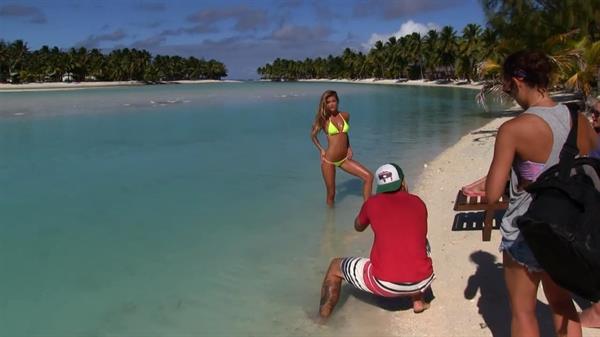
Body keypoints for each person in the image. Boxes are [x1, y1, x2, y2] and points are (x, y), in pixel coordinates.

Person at [462, 50, 597, 337]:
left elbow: (493, 194)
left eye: (507, 87)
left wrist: (505, 172)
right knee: (562, 304)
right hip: (569, 228)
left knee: (523, 312)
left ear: (517, 80)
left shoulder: (514, 129)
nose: (509, 93)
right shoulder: (580, 120)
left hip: (529, 229)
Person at [318, 163, 434, 318]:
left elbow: (358, 226)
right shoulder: (418, 202)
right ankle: (418, 301)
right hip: (423, 280)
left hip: (386, 284)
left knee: (334, 267)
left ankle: (321, 321)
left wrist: (369, 213)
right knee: (416, 240)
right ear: (403, 182)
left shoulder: (372, 203)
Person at [311, 90, 373, 206]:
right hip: (328, 160)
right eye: (328, 102)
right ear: (325, 104)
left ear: (337, 101)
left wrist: (349, 147)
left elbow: (345, 135)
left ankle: (367, 210)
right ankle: (330, 221)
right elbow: (313, 136)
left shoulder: (345, 116)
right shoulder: (323, 119)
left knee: (369, 177)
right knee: (331, 194)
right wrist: (321, 150)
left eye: (333, 101)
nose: (331, 104)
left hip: (344, 159)